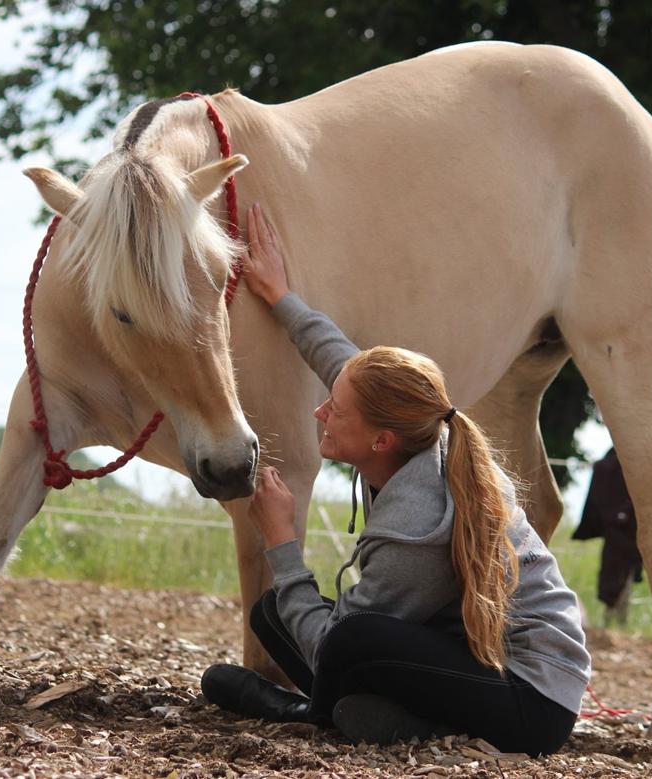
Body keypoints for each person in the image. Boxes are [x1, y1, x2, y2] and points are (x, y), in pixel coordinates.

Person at [200, 204, 590, 755]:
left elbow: (336, 645)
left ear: (380, 440)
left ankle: (316, 714)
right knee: (273, 612)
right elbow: (337, 357)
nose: (320, 414)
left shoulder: (417, 522)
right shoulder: (410, 427)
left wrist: (282, 542)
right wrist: (280, 296)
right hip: (466, 656)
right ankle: (365, 716)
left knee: (350, 634)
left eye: (334, 411)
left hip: (529, 698)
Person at [572, 448, 644, 627]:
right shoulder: (609, 466)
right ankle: (611, 622)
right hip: (617, 532)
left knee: (624, 577)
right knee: (612, 576)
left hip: (627, 532)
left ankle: (618, 622)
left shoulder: (622, 464)